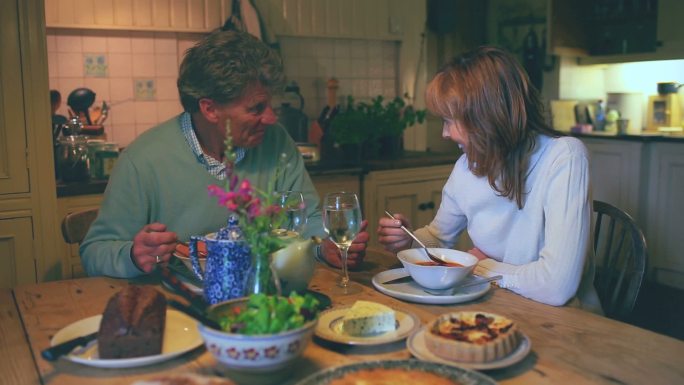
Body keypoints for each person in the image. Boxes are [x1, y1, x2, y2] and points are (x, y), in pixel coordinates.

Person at [80, 30, 368, 278]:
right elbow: (95, 251)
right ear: (210, 109)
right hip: (178, 308)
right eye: (256, 108)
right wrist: (132, 255)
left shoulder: (276, 141)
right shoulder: (143, 160)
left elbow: (308, 221)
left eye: (270, 105)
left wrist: (326, 246)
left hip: (265, 295)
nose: (270, 118)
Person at [377, 46, 601, 313]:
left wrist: (479, 265)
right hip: (496, 306)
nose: (445, 134)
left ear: (485, 117)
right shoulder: (467, 166)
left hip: (567, 322)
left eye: (449, 121)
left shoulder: (565, 157)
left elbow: (557, 287)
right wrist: (409, 240)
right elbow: (438, 238)